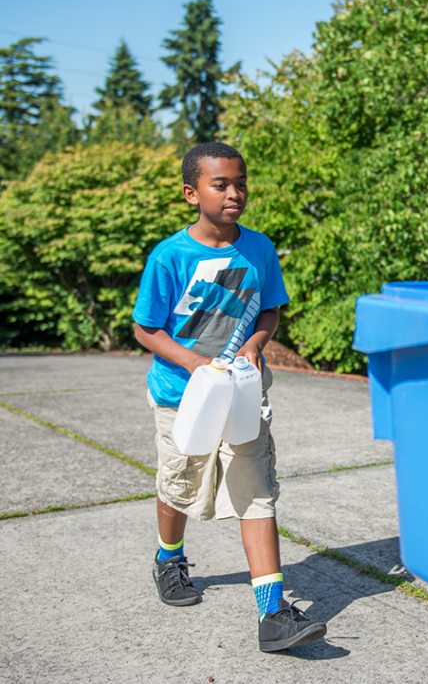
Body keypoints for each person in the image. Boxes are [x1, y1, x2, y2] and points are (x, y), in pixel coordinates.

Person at [132, 142, 326, 652]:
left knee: (255, 487)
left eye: (240, 182)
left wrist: (257, 346)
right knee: (179, 484)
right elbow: (145, 328)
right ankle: (168, 559)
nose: (234, 192)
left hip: (241, 391)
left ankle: (273, 613)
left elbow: (269, 311)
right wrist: (196, 364)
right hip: (182, 395)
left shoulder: (259, 248)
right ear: (191, 193)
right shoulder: (170, 255)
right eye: (221, 184)